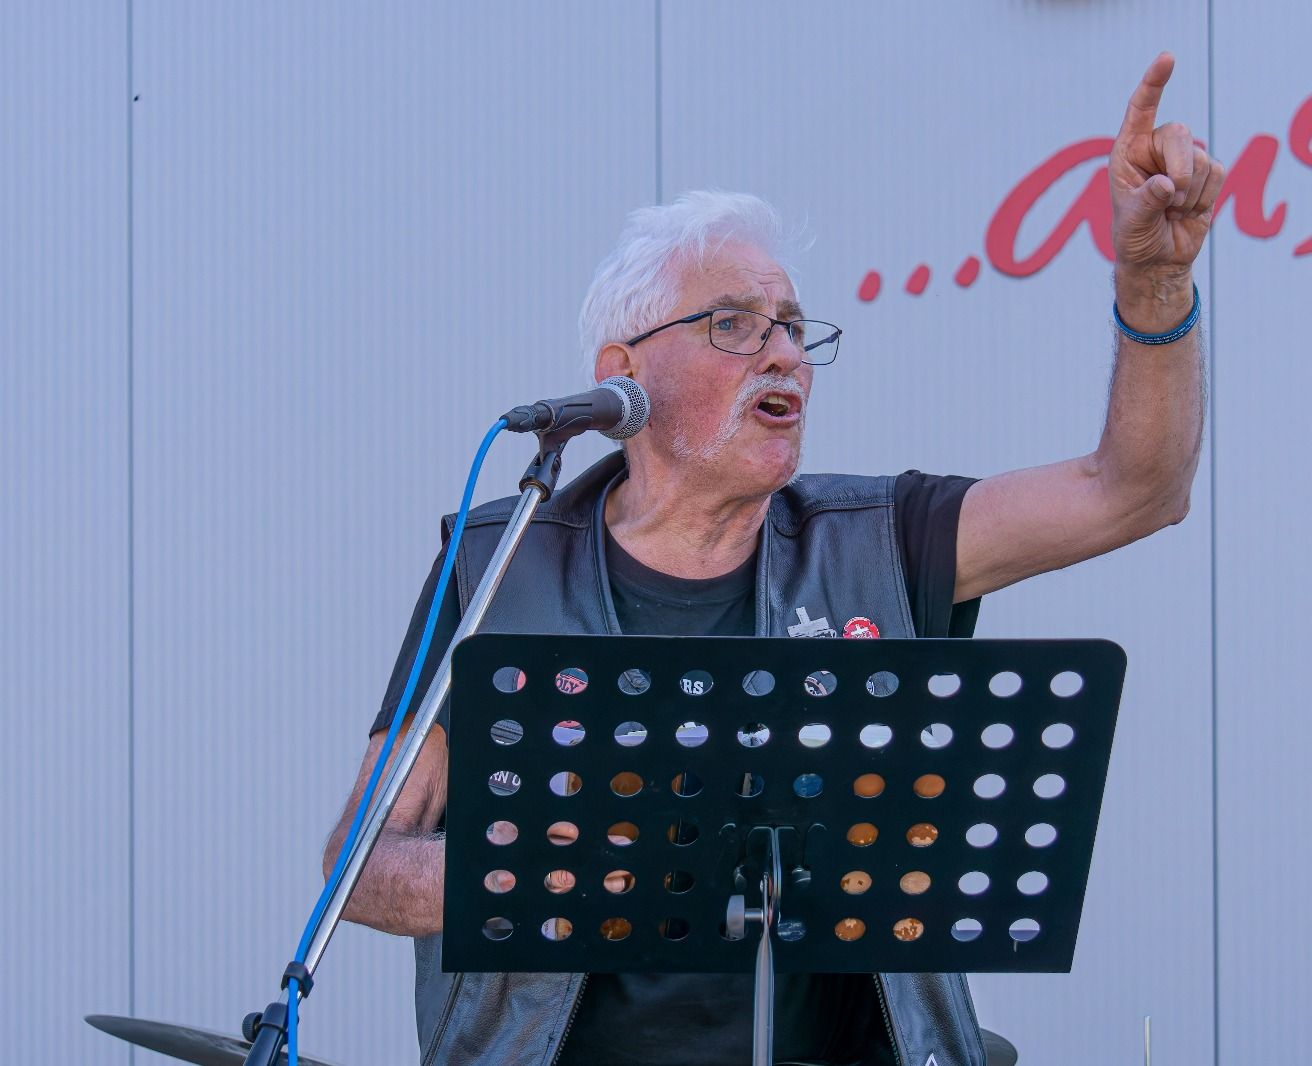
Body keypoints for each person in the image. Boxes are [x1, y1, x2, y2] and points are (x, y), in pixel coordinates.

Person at [324, 53, 1221, 1066]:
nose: (785, 352)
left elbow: (1134, 488)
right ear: (622, 374)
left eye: (793, 329)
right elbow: (359, 867)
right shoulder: (498, 563)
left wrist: (1155, 279)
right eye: (734, 326)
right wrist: (532, 870)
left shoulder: (882, 538)